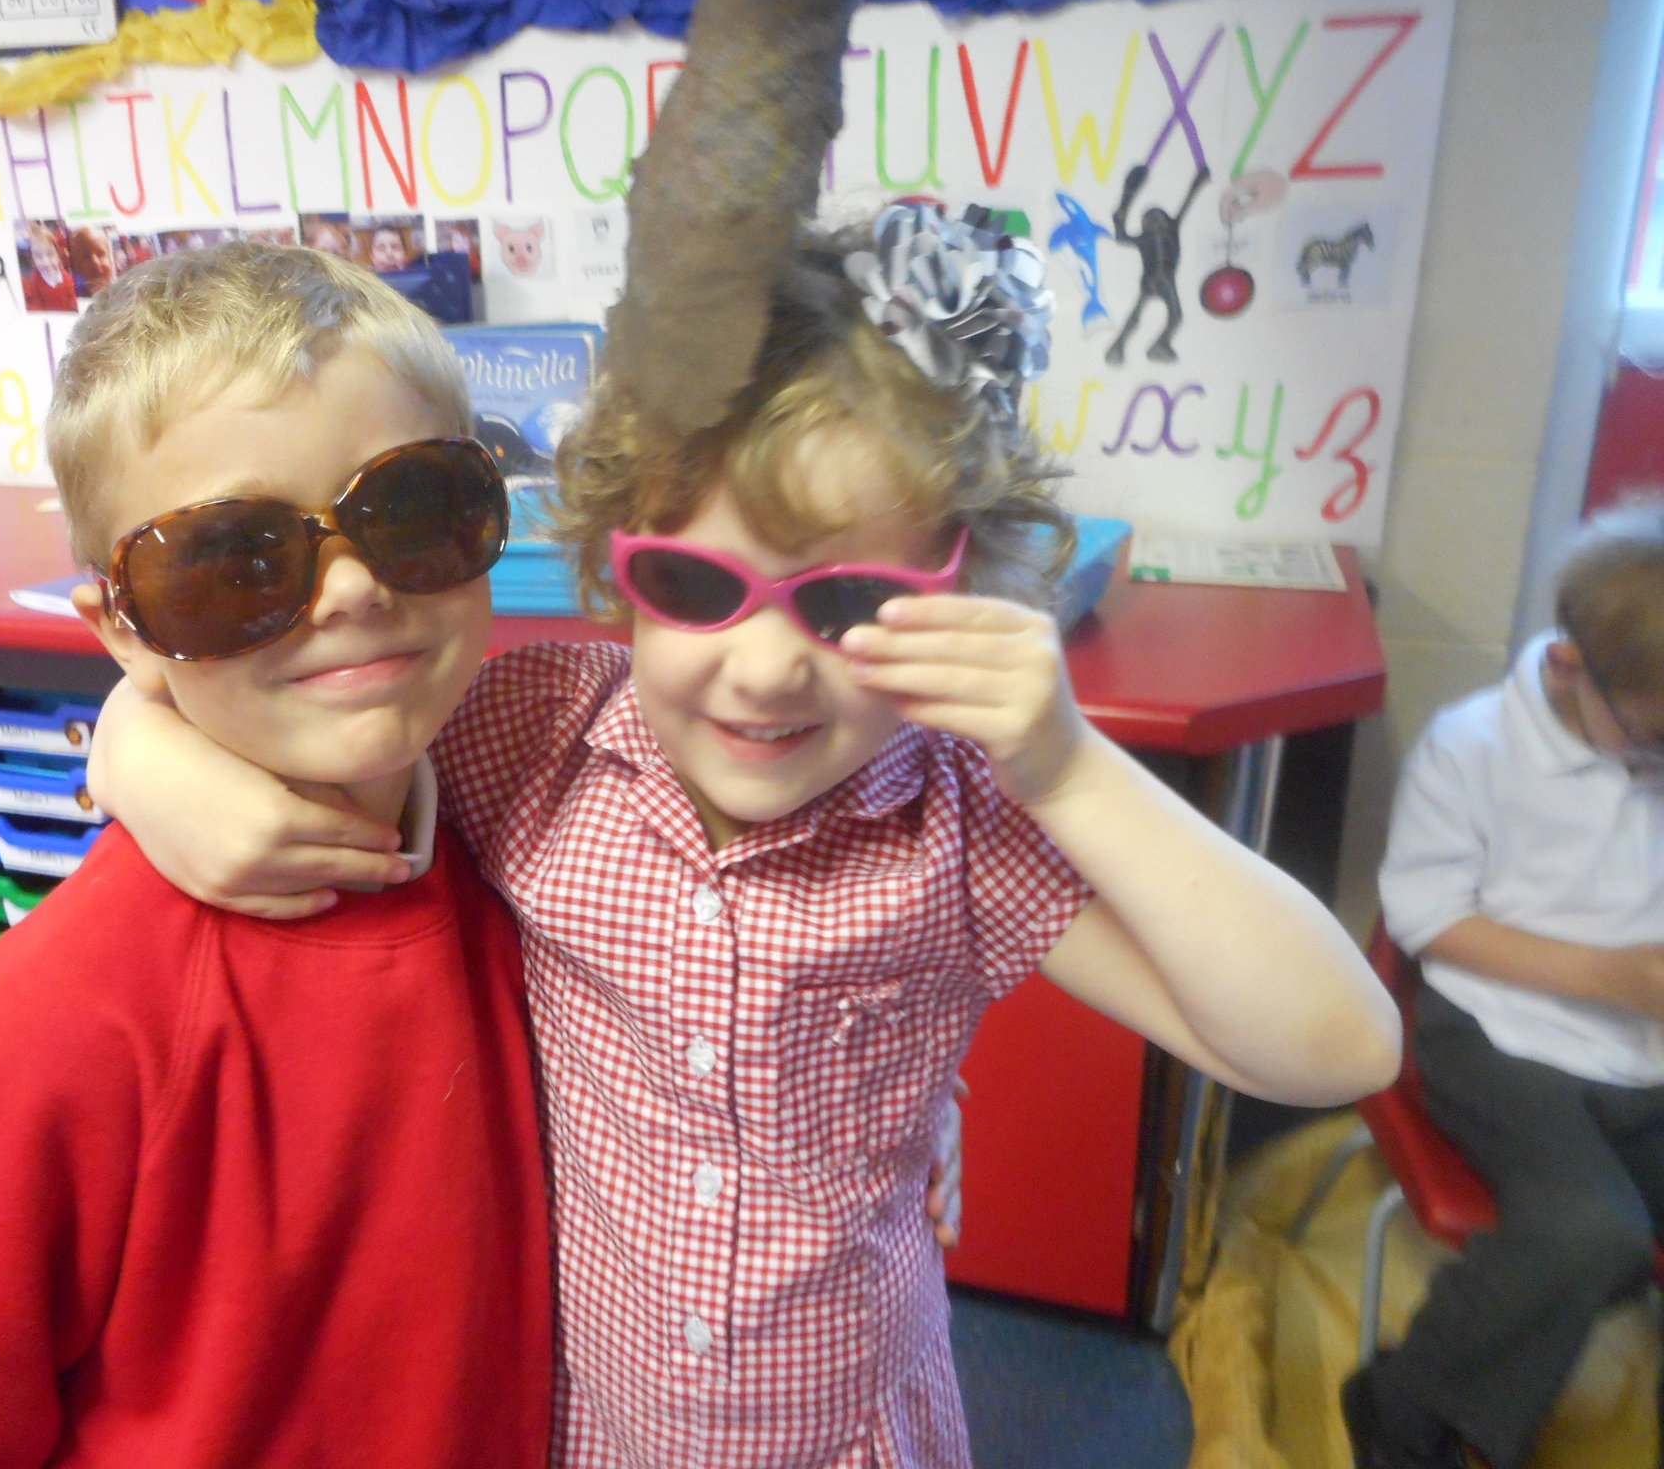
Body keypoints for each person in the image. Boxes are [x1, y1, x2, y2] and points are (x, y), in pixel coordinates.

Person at [87, 217, 1401, 1465]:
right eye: (699, 588)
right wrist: (131, 752)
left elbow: (1333, 1043)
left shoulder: (956, 826)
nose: (766, 671)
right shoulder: (530, 733)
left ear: (961, 590)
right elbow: (288, 695)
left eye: (855, 601)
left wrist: (1067, 763)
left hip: (847, 1437)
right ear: (619, 569)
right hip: (592, 1425)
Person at [0, 242, 553, 1469]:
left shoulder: (529, 828)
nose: (354, 588)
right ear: (121, 626)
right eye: (233, 562)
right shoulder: (61, 1016)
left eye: (412, 508)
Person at [1345, 500, 1664, 1469]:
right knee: (1586, 1236)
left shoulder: (1638, 722)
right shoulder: (1472, 744)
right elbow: (1429, 920)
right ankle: (1399, 1409)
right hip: (1489, 1033)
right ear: (1568, 666)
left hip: (1632, 1049)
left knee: (1591, 1236)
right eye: (1648, 741)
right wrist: (1607, 975)